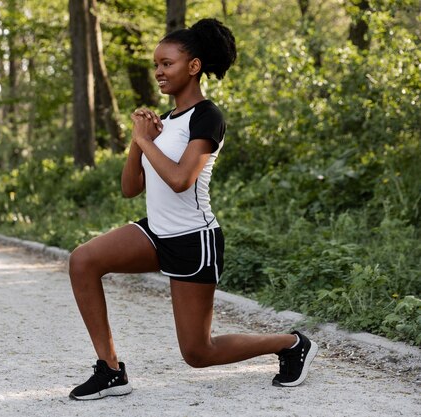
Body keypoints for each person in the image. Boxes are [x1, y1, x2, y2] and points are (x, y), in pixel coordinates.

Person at [67, 18, 318, 401]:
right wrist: (139, 142)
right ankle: (111, 370)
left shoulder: (207, 117)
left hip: (192, 239)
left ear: (193, 66)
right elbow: (130, 188)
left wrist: (142, 140)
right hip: (156, 232)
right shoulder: (163, 122)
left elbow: (182, 179)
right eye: (156, 65)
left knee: (198, 353)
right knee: (83, 260)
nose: (158, 72)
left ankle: (291, 343)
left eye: (166, 63)